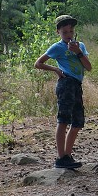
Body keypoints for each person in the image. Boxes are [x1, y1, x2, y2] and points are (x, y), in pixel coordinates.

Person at [34, 14, 92, 169]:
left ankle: (67, 155)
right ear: (58, 32)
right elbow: (38, 63)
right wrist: (56, 69)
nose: (68, 35)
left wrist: (78, 52)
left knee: (78, 122)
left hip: (77, 85)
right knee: (63, 120)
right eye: (65, 32)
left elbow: (89, 67)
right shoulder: (57, 47)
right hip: (66, 84)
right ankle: (61, 157)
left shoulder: (80, 46)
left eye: (71, 31)